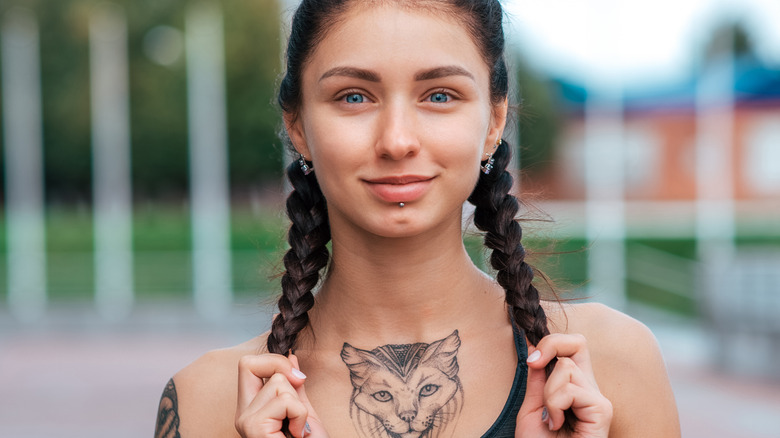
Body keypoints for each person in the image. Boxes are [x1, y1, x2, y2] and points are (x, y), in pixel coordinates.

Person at [155, 0, 680, 437]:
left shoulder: (610, 367)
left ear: (493, 121)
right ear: (297, 124)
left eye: (440, 95)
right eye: (354, 96)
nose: (397, 140)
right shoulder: (207, 402)